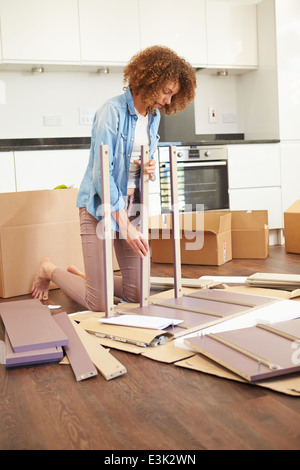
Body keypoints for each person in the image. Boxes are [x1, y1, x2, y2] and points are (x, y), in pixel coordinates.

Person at [32, 45, 197, 311]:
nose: (167, 101)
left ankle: (93, 280)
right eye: (166, 92)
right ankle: (50, 269)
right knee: (99, 303)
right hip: (100, 205)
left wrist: (149, 168)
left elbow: (142, 159)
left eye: (173, 95)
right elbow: (102, 175)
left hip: (133, 205)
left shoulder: (153, 117)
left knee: (139, 293)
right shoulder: (111, 112)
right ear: (150, 80)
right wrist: (127, 226)